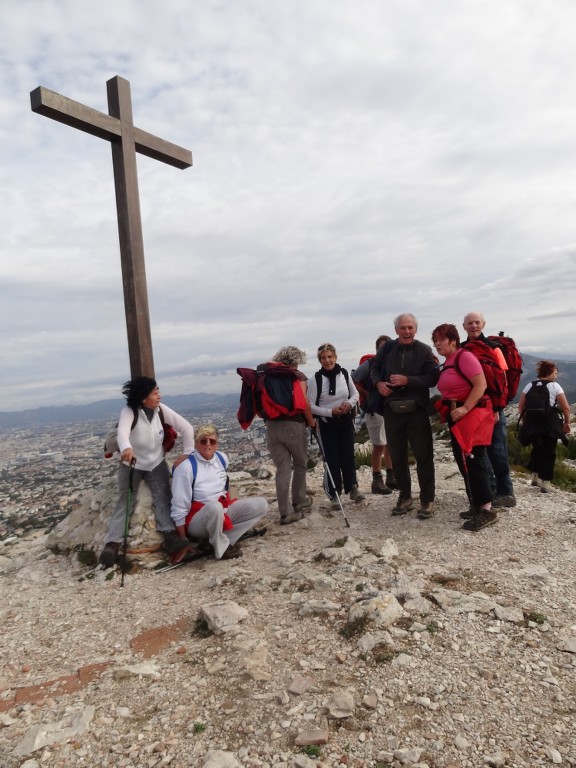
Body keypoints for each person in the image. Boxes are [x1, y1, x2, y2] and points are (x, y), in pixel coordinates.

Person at [99, 377, 195, 567]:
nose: (159, 395)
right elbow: (123, 434)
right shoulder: (129, 412)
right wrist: (126, 448)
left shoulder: (161, 411)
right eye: (155, 392)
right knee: (125, 500)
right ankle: (112, 543)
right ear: (143, 398)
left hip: (156, 462)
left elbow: (186, 427)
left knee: (163, 496)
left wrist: (188, 454)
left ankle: (169, 534)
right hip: (132, 464)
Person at [370, 313, 439, 518]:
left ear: (415, 329)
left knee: (423, 456)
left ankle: (427, 500)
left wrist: (407, 380)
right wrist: (378, 384)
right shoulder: (387, 349)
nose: (407, 331)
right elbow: (374, 370)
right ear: (396, 330)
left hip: (417, 410)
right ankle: (405, 496)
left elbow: (432, 378)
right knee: (397, 456)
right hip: (392, 410)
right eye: (403, 328)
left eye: (410, 327)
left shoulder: (424, 350)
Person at [432, 324, 497, 531]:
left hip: (471, 414)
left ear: (453, 339)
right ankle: (477, 504)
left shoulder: (464, 357)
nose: (437, 343)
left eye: (441, 339)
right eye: (434, 340)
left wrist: (466, 407)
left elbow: (481, 384)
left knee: (474, 459)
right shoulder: (449, 362)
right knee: (464, 461)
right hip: (457, 414)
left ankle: (487, 509)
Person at [170, 425, 268, 559]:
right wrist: (183, 541)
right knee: (214, 507)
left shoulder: (222, 459)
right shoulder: (186, 467)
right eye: (203, 441)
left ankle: (222, 539)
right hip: (197, 520)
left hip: (222, 511)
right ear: (196, 443)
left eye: (212, 441)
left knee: (261, 505)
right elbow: (179, 505)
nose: (208, 445)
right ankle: (222, 549)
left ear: (217, 444)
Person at [462, 312, 516, 509]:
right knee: (480, 451)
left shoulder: (494, 348)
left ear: (483, 324)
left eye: (477, 322)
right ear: (464, 326)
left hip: (492, 408)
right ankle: (490, 490)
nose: (474, 326)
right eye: (470, 323)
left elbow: (502, 381)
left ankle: (506, 492)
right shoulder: (463, 349)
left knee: (497, 449)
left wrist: (498, 408)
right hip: (474, 409)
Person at [264, 346, 316, 525]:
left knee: (283, 469)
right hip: (293, 425)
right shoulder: (297, 376)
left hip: (271, 426)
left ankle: (285, 512)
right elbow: (304, 402)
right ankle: (299, 500)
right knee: (300, 463)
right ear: (297, 361)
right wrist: (311, 421)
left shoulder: (267, 375)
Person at [308, 343, 365, 507]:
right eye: (323, 358)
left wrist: (348, 403)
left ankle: (352, 488)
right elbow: (310, 405)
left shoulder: (344, 374)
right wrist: (329, 412)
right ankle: (334, 494)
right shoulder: (316, 380)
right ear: (320, 360)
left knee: (348, 455)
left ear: (335, 357)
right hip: (326, 424)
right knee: (331, 458)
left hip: (345, 421)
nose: (327, 360)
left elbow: (355, 394)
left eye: (330, 357)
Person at [352, 335, 396, 494]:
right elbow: (354, 380)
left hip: (390, 409)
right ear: (377, 349)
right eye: (382, 347)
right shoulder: (369, 365)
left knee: (390, 443)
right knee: (379, 445)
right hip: (374, 409)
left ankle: (391, 477)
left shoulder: (393, 364)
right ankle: (377, 481)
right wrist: (367, 393)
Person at [518, 360, 572, 493]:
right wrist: (567, 422)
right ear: (549, 373)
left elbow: (521, 406)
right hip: (549, 424)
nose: (556, 376)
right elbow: (565, 406)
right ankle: (546, 484)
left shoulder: (529, 385)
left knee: (537, 449)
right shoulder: (555, 386)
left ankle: (535, 478)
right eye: (555, 373)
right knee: (549, 452)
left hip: (532, 423)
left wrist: (526, 422)